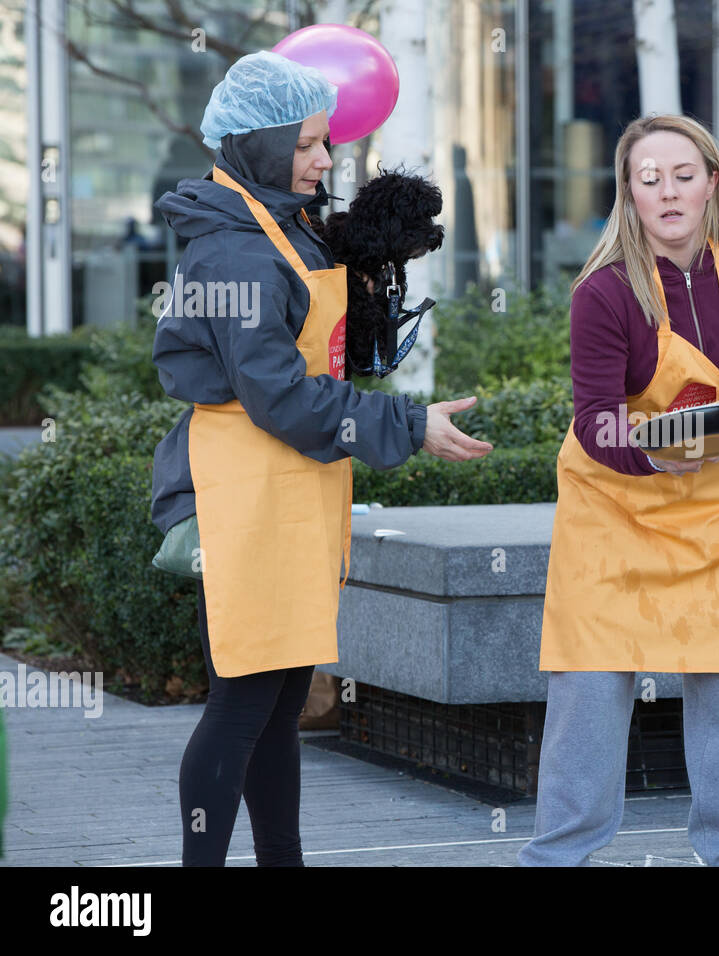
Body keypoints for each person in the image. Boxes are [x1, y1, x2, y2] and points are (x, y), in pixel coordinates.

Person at [151, 51, 492, 866]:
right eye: (307, 143)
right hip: (245, 500)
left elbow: (324, 361)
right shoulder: (233, 253)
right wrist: (406, 426)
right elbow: (283, 399)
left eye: (325, 142)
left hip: (294, 490)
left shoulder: (284, 225)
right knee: (242, 705)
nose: (324, 158)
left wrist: (371, 273)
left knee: (277, 708)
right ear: (261, 142)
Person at [517, 114, 719, 866]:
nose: (668, 193)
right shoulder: (604, 293)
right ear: (629, 194)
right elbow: (593, 421)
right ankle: (559, 855)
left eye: (683, 176)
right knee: (590, 694)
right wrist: (657, 454)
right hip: (611, 511)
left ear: (713, 183)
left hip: (718, 508)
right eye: (650, 180)